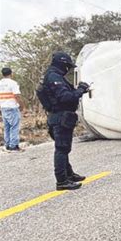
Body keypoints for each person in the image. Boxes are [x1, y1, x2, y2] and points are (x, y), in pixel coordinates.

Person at [42, 52, 90, 190]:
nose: (68, 69)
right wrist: (80, 90)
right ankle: (62, 181)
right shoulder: (54, 77)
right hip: (60, 116)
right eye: (67, 66)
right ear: (62, 64)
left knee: (64, 147)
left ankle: (69, 174)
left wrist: (78, 90)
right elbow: (66, 97)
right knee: (61, 149)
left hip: (58, 116)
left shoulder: (53, 75)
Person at [0, 67, 23, 152]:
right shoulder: (13, 83)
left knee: (7, 127)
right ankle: (14, 146)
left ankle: (7, 145)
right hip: (12, 107)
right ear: (11, 73)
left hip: (3, 108)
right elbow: (16, 95)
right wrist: (21, 105)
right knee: (14, 126)